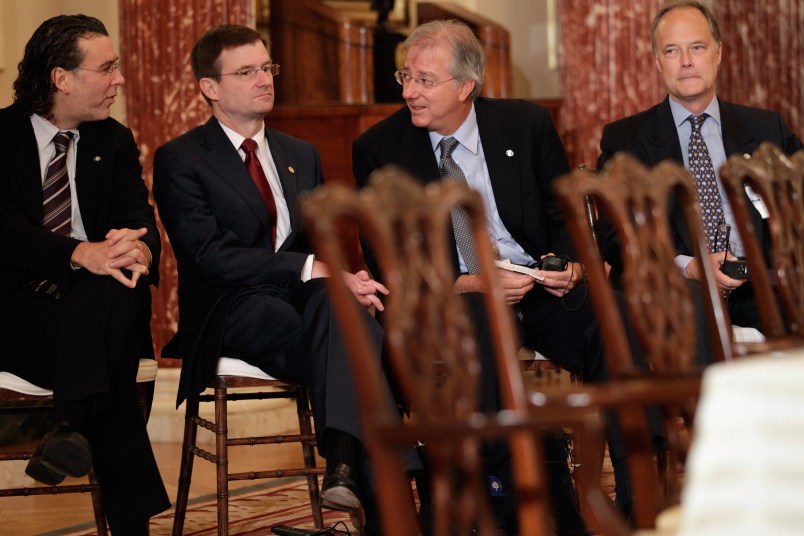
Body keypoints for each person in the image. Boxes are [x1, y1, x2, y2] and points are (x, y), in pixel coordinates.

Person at [352, 19, 608, 535]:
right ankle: (499, 497)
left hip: (537, 288)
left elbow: (563, 217)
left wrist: (569, 264)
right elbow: (388, 264)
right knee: (483, 330)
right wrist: (470, 283)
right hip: (457, 296)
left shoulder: (526, 125)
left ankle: (631, 495)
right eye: (406, 76)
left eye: (425, 80)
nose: (408, 91)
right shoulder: (379, 148)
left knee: (614, 322)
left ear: (465, 87)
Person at [153, 24, 407, 534]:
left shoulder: (299, 154)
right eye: (246, 72)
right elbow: (210, 256)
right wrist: (314, 270)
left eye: (266, 68)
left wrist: (343, 275)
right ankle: (374, 489)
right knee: (359, 343)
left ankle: (345, 468)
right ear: (209, 86)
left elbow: (318, 247)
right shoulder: (181, 159)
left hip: (302, 299)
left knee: (345, 313)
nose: (264, 80)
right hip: (231, 305)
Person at [0, 14, 169, 535]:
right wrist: (82, 254)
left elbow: (141, 220)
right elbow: (4, 230)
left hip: (100, 302)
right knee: (114, 369)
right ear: (61, 78)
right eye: (108, 69)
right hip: (19, 310)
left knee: (116, 286)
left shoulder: (113, 140)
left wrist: (134, 250)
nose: (119, 80)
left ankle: (68, 427)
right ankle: (82, 443)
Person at [598, 0, 803, 346]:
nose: (687, 62)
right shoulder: (626, 140)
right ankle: (708, 403)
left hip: (762, 281)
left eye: (697, 47)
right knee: (691, 325)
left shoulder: (767, 128)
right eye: (672, 51)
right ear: (657, 62)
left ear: (718, 53)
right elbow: (613, 236)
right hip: (678, 287)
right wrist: (690, 265)